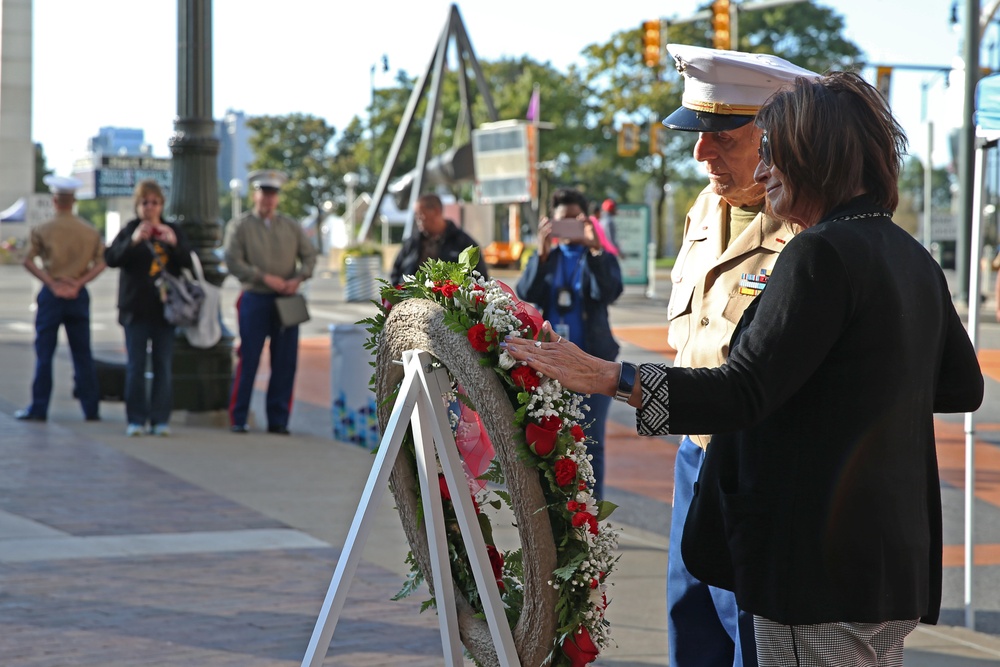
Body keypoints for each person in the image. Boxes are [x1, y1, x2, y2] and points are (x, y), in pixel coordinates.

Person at [502, 72, 984, 667]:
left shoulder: (819, 252)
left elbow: (744, 391)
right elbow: (961, 385)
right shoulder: (909, 253)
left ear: (815, 156)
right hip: (887, 567)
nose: (762, 173)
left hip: (815, 569)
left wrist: (611, 377)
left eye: (774, 155)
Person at [654, 44, 819, 667]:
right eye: (698, 134)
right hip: (693, 456)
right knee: (687, 623)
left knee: (750, 635)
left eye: (722, 136)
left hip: (759, 467)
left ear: (775, 139)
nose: (702, 152)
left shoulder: (809, 230)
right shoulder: (705, 207)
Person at [515, 187, 623, 500]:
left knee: (591, 442)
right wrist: (542, 252)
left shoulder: (598, 255)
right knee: (552, 440)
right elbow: (527, 291)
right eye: (563, 221)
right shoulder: (548, 257)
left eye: (575, 220)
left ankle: (591, 511)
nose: (569, 227)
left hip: (594, 361)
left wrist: (594, 249)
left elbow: (609, 291)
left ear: (587, 221)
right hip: (552, 363)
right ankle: (560, 509)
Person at [224, 169, 318, 435]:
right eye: (264, 193)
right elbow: (232, 260)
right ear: (255, 194)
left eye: (273, 194)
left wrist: (298, 278)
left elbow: (309, 256)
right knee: (249, 358)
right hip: (254, 297)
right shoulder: (240, 226)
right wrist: (262, 276)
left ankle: (278, 420)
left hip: (286, 299)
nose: (268, 199)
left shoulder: (290, 226)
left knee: (285, 362)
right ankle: (239, 417)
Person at [105, 179, 193, 437]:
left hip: (165, 310)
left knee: (163, 365)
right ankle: (135, 419)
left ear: (161, 205)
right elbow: (111, 258)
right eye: (145, 203)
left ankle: (160, 419)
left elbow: (189, 260)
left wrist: (174, 243)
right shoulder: (131, 229)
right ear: (137, 205)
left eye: (155, 203)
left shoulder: (171, 230)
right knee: (136, 365)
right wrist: (132, 241)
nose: (150, 208)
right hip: (135, 309)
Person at [15, 175, 105, 423]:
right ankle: (91, 409)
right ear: (73, 201)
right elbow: (102, 262)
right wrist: (78, 282)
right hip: (78, 294)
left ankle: (39, 407)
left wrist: (51, 283)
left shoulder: (43, 229)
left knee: (45, 354)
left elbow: (26, 260)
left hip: (52, 294)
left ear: (55, 201)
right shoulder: (89, 231)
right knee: (82, 354)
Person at [389, 193, 489, 285]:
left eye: (420, 214)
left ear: (436, 211)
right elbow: (395, 273)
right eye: (416, 215)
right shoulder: (412, 242)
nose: (417, 219)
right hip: (410, 302)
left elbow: (480, 280)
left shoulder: (464, 243)